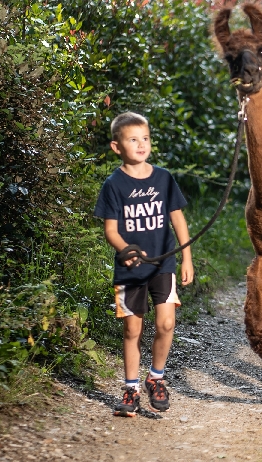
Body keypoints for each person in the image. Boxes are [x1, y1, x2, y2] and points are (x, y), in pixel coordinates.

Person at [94, 111, 194, 417]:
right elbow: (110, 230)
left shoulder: (163, 178)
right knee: (132, 330)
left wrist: (186, 257)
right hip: (131, 270)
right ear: (117, 147)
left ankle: (156, 378)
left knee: (166, 323)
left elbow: (178, 218)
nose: (141, 144)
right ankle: (131, 389)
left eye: (145, 138)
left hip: (163, 264)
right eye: (133, 139)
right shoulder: (114, 184)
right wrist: (127, 249)